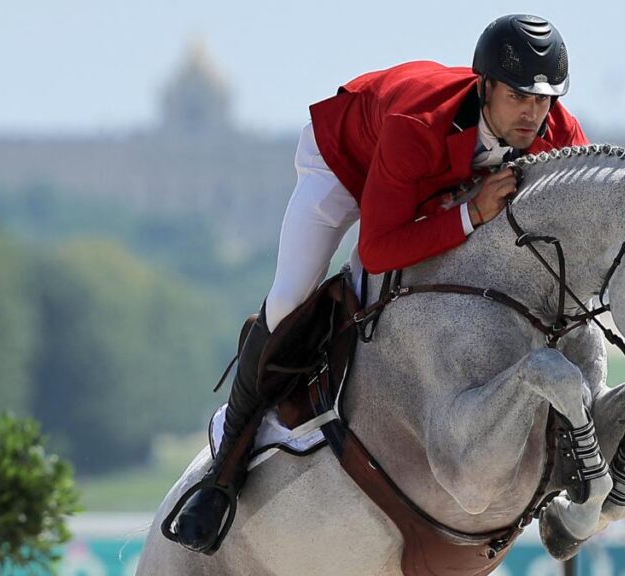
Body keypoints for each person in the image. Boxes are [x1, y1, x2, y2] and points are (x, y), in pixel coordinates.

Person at [169, 14, 589, 553]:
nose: (533, 112)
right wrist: (471, 216)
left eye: (544, 98)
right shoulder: (419, 121)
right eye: (517, 96)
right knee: (292, 294)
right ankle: (223, 472)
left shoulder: (559, 133)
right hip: (348, 163)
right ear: (484, 85)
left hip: (440, 183)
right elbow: (378, 247)